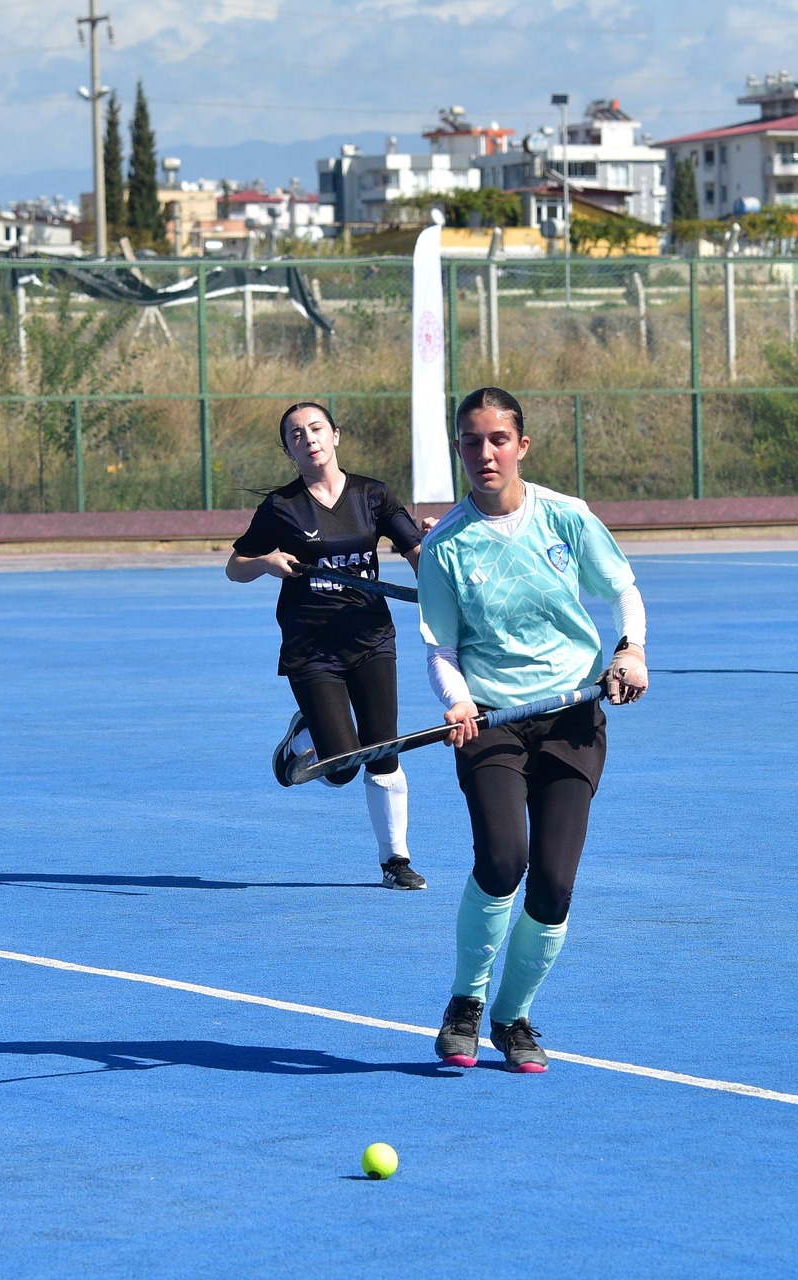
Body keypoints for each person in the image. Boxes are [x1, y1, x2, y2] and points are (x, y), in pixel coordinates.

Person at [418, 387, 648, 1074]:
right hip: (490, 722)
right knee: (502, 859)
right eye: (470, 441)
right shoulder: (444, 546)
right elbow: (441, 651)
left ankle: (512, 1016)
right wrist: (457, 702)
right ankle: (465, 1002)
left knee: (552, 883)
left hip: (572, 718)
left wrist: (629, 649)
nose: (484, 453)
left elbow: (622, 590)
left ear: (522, 445)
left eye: (497, 439)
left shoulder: (567, 518)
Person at [228, 400, 429, 890]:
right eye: (296, 434)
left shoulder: (373, 495)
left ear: (335, 435)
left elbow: (418, 555)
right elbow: (236, 565)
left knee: (383, 747)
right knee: (338, 770)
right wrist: (267, 563)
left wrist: (442, 564)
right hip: (311, 646)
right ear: (288, 450)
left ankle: (395, 862)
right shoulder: (281, 507)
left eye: (316, 428)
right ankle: (303, 737)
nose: (309, 438)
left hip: (372, 638)